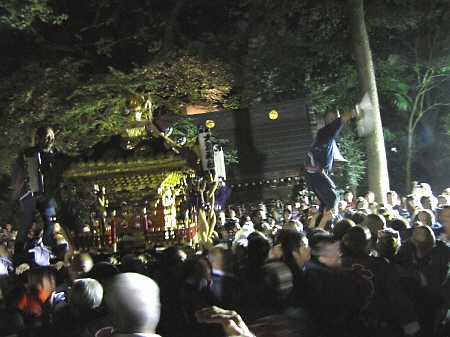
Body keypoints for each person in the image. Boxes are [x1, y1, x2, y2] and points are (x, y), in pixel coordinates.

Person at [10, 126, 70, 257]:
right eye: (47, 136)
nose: (50, 139)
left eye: (52, 136)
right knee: (27, 221)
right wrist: (16, 189)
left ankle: (47, 247)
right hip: (29, 193)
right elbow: (20, 172)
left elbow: (69, 163)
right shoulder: (28, 153)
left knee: (50, 220)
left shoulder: (57, 154)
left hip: (48, 194)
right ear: (40, 138)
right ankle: (18, 252)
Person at [304, 108, 359, 229]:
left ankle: (322, 227)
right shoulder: (325, 132)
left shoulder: (326, 138)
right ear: (331, 120)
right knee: (333, 198)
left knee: (326, 204)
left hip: (316, 175)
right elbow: (341, 121)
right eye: (335, 119)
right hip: (317, 175)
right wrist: (350, 113)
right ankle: (325, 227)